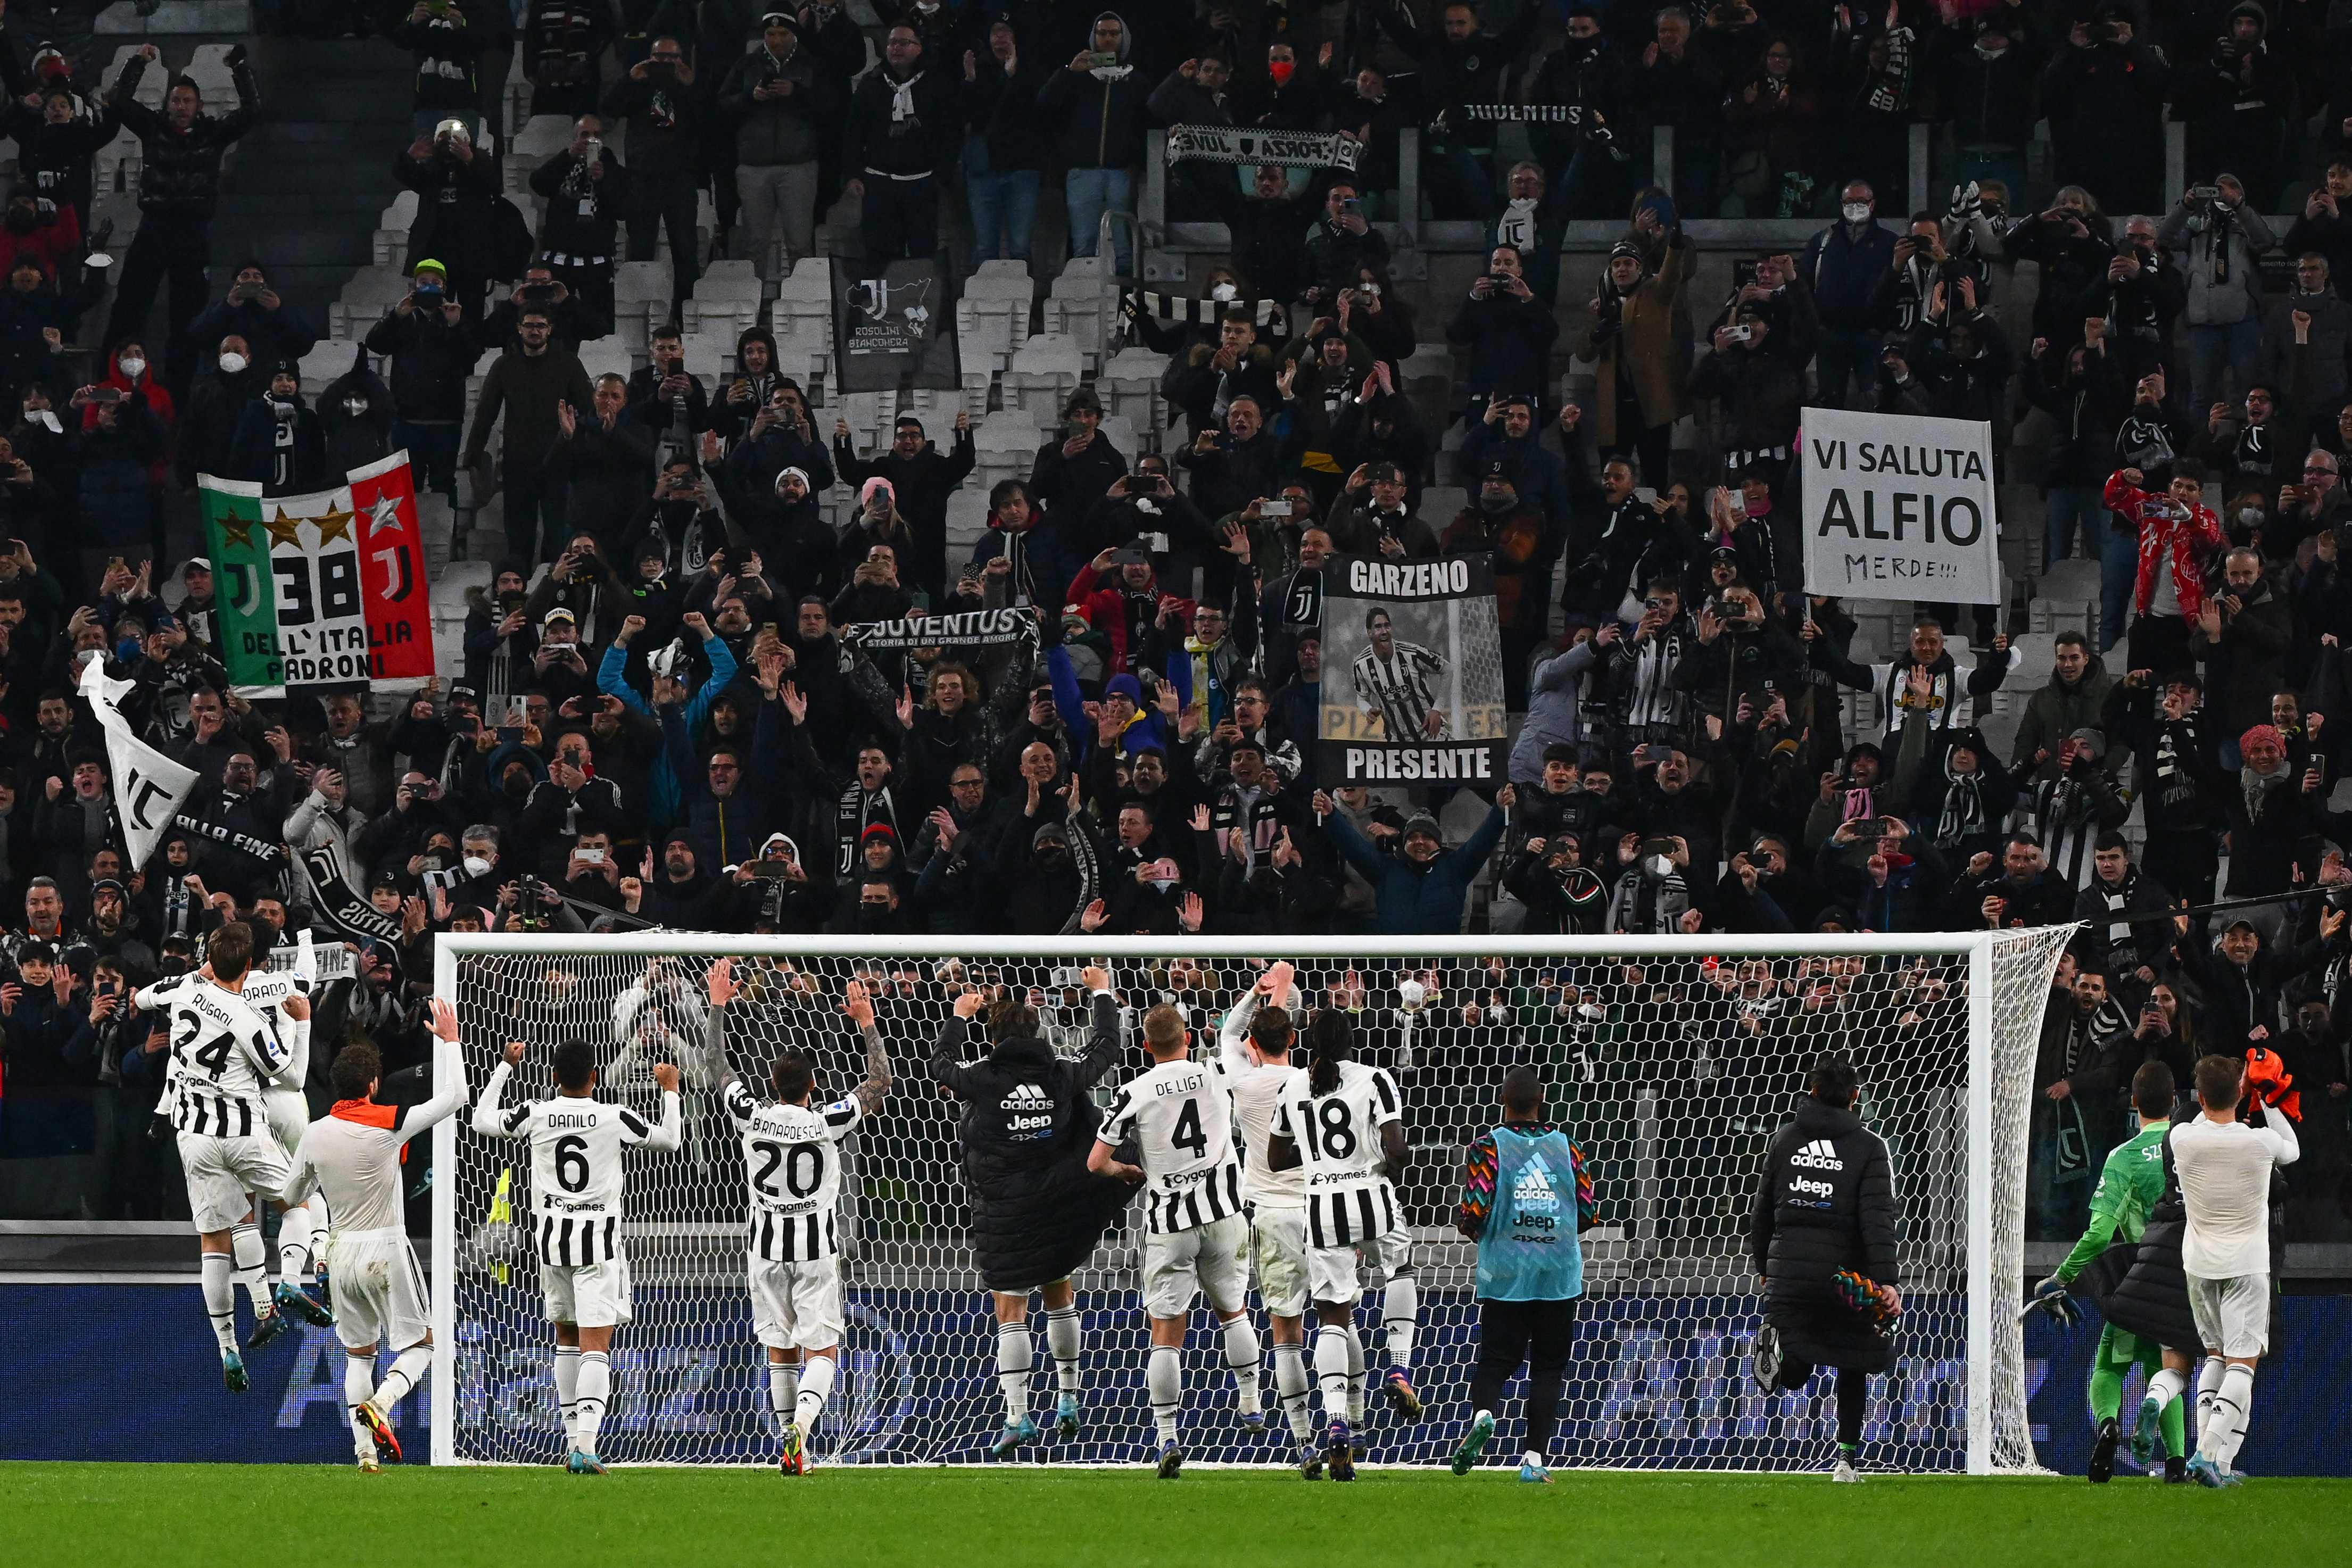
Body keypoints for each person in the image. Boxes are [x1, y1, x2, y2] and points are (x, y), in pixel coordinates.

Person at [929, 976, 1132, 1456]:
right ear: (1038, 1031)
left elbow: (940, 1064)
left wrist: (958, 1015)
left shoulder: (982, 1078)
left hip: (1005, 1211)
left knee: (1010, 1311)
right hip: (1056, 1202)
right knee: (1059, 1295)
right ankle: (1069, 1399)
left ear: (994, 1037)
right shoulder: (1060, 1074)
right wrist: (1102, 991)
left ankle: (1018, 1416)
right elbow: (1107, 1046)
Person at [468, 1032, 685, 1473]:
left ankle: (573, 1444)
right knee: (596, 1346)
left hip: (552, 1243)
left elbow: (480, 1120)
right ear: (595, 1077)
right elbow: (669, 1140)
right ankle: (586, 1446)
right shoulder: (613, 1116)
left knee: (566, 1339)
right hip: (598, 1245)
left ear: (553, 1076)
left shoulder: (536, 1112)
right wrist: (670, 1091)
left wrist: (506, 1065)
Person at [706, 960, 890, 1475]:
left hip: (765, 1250)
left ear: (772, 1082)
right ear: (813, 1085)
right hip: (815, 1249)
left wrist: (718, 1005)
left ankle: (792, 1448)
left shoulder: (752, 1114)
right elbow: (880, 1082)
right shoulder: (827, 1120)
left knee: (780, 1349)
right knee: (822, 1351)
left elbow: (717, 1065)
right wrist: (866, 1020)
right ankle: (801, 1431)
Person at [280, 997, 468, 1470]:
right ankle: (382, 1403)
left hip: (340, 1252)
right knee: (423, 1344)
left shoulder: (315, 1132)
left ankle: (364, 1453)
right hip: (384, 1245)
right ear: (373, 1085)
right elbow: (455, 1097)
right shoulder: (390, 1122)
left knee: (359, 1357)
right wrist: (450, 1041)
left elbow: (291, 1193)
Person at [130, 920, 315, 1391]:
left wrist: (173, 984)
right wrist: (303, 1021)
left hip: (194, 1136)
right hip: (244, 1130)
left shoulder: (184, 990)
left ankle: (228, 1346)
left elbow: (145, 998)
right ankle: (289, 1281)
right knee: (299, 1205)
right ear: (249, 964)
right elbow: (292, 1077)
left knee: (216, 1240)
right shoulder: (247, 1018)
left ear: (209, 959)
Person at [1089, 991, 1262, 1477]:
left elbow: (1096, 1162)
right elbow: (1243, 1046)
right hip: (1224, 1214)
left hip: (1170, 1223)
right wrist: (1258, 994)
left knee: (1166, 1333)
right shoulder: (1216, 1072)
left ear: (1146, 1046)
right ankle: (1251, 1403)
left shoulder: (1135, 1090)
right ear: (1187, 1037)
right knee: (1234, 1310)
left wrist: (1124, 1170)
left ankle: (1167, 1436)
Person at [1266, 1008, 1415, 1481]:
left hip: (1321, 1207)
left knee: (1333, 1316)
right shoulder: (1375, 1078)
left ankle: (1335, 1422)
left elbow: (1276, 1157)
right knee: (1400, 1267)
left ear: (1310, 1042)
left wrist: (1315, 1154)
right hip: (1370, 1195)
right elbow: (1398, 1148)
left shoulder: (1293, 1086)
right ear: (1353, 1039)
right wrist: (1390, 1168)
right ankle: (1399, 1367)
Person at [2028, 1060, 2191, 1483]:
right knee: (2167, 1366)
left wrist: (2061, 1277)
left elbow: (2100, 1234)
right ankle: (2177, 1463)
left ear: (2133, 1102)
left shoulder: (2124, 1157)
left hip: (2142, 1276)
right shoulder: (2192, 1147)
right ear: (2175, 1101)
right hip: (2188, 1278)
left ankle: (2108, 1426)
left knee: (2109, 1365)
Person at [1748, 1051, 1901, 1482]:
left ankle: (1781, 1356)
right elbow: (1878, 1220)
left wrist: (1764, 1266)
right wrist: (1887, 1281)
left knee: (1796, 1366)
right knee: (1854, 1360)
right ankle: (1846, 1462)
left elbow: (1762, 1211)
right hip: (1844, 1278)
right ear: (1856, 1096)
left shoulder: (1785, 1139)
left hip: (1789, 1273)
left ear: (1812, 1091)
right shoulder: (1869, 1147)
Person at [1450, 1063, 1595, 1483]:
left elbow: (1475, 1209)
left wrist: (1478, 1228)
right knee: (1548, 1368)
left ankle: (1483, 1414)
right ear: (1541, 1100)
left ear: (1503, 1101)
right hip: (1557, 1273)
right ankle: (1533, 1461)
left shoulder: (1487, 1147)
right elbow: (1587, 1211)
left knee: (1495, 1360)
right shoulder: (1569, 1147)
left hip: (1507, 1271)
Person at [1214, 961, 1324, 1467]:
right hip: (1323, 1209)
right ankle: (1352, 1423)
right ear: (1294, 1039)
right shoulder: (1313, 1082)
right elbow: (1266, 1033)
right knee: (1339, 1320)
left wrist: (1258, 993)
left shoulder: (1242, 1081)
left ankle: (1304, 1442)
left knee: (1287, 1331)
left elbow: (1229, 1033)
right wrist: (1282, 991)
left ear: (1253, 1046)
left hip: (1272, 1214)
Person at [2174, 1052, 2300, 1486]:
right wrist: (2267, 1097)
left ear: (2200, 1096)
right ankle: (2207, 1454)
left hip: (2199, 1265)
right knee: (2242, 1364)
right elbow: (2293, 1149)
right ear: (2241, 1092)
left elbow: (2199, 1117)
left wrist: (2228, 1090)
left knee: (2214, 1355)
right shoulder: (2260, 1142)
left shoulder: (2183, 1138)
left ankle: (2212, 1460)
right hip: (2246, 1264)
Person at [104, 43, 259, 388]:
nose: (181, 106)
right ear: (167, 104)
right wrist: (138, 62)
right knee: (129, 307)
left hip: (193, 232)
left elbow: (252, 111)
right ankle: (111, 381)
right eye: (175, 100)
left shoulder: (212, 134)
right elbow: (119, 101)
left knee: (188, 318)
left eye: (188, 101)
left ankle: (180, 393)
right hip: (154, 227)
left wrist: (239, 69)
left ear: (199, 106)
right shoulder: (153, 127)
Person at [461, 306, 593, 565]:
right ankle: (518, 584)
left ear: (549, 330)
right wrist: (473, 457)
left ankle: (553, 584)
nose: (535, 331)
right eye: (530, 325)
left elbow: (589, 410)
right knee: (518, 538)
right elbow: (485, 414)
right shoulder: (504, 365)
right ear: (519, 329)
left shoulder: (568, 364)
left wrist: (582, 452)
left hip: (559, 462)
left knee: (557, 537)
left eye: (541, 326)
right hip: (518, 463)